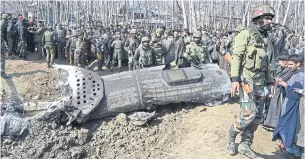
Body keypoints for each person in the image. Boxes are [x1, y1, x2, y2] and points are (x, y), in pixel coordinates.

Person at [226, 5, 276, 159]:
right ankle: (232, 135)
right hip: (246, 81)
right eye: (267, 18)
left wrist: (270, 82)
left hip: (261, 83)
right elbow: (237, 58)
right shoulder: (245, 35)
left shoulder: (267, 39)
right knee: (248, 114)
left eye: (270, 19)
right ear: (259, 19)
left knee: (258, 116)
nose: (269, 22)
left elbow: (269, 63)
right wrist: (234, 79)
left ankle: (245, 145)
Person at [272, 54, 304, 159]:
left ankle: (294, 154)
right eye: (288, 64)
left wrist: (285, 85)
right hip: (288, 104)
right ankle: (290, 151)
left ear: (298, 64)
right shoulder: (292, 73)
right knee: (285, 128)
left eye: (291, 64)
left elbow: (297, 93)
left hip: (295, 108)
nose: (289, 66)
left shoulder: (301, 75)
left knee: (292, 131)